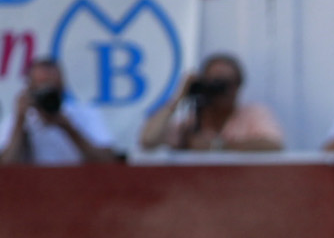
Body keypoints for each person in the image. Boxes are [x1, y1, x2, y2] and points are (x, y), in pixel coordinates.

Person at [138, 53, 284, 152]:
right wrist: (179, 97)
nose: (220, 91)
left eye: (226, 84)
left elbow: (274, 145)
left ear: (238, 86)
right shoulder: (191, 122)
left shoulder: (253, 114)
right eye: (213, 83)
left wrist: (217, 146)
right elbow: (148, 140)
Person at [1, 58, 117, 165]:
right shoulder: (19, 118)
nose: (47, 94)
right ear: (30, 88)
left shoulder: (85, 113)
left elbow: (108, 161)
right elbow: (5, 167)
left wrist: (68, 128)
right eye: (42, 86)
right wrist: (20, 123)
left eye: (52, 87)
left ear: (62, 85)